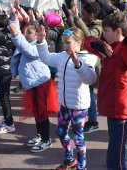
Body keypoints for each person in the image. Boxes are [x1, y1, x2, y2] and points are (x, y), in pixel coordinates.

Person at [85, 12, 127, 170]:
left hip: (121, 107)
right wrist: (98, 44)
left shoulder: (126, 47)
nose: (104, 34)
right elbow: (87, 40)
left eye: (106, 31)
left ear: (118, 31)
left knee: (116, 153)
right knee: (119, 149)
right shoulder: (109, 47)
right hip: (114, 105)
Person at [36, 26, 97, 170]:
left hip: (78, 107)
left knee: (78, 137)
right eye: (63, 42)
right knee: (61, 132)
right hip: (64, 104)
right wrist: (41, 41)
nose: (64, 45)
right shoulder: (62, 56)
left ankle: (82, 167)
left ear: (78, 42)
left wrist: (78, 64)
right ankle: (70, 160)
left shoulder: (88, 58)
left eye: (67, 42)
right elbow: (46, 57)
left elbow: (90, 79)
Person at [9, 19, 58, 153]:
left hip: (40, 84)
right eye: (25, 32)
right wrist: (14, 18)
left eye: (29, 33)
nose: (26, 35)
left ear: (37, 35)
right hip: (33, 84)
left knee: (42, 114)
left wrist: (16, 35)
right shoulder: (31, 43)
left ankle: (46, 139)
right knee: (37, 113)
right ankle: (40, 135)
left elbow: (27, 50)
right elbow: (23, 45)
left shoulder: (38, 46)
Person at [67, 3, 103, 133]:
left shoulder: (98, 26)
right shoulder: (87, 24)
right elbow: (77, 32)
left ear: (91, 14)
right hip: (83, 61)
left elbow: (89, 37)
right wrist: (70, 17)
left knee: (89, 93)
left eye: (84, 13)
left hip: (92, 64)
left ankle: (93, 121)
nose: (82, 15)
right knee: (86, 92)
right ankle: (84, 119)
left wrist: (77, 18)